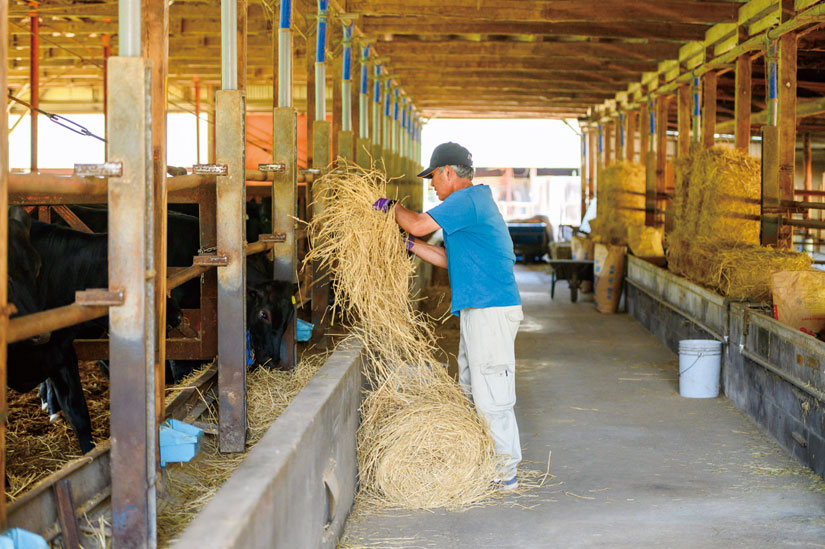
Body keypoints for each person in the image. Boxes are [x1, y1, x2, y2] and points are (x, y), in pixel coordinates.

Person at [373, 142, 523, 489]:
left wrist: (392, 208)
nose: (431, 186)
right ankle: (485, 459)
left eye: (433, 178)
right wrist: (406, 244)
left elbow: (420, 224)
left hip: (491, 308)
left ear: (448, 172)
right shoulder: (468, 207)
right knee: (473, 385)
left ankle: (505, 471)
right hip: (478, 308)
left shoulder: (467, 200)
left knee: (491, 389)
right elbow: (447, 261)